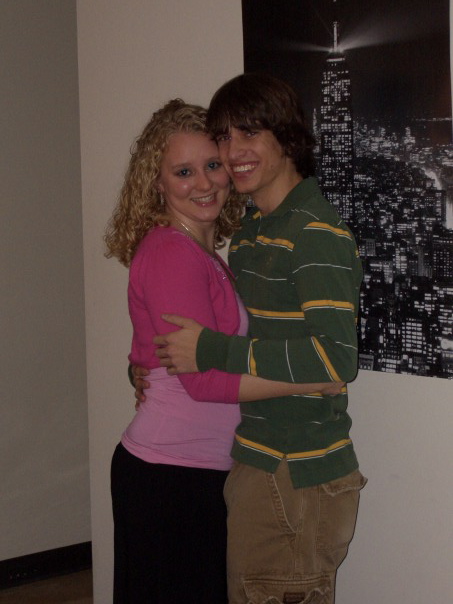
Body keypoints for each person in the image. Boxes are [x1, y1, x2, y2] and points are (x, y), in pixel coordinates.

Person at [105, 98, 344, 604]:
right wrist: (316, 377)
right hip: (171, 477)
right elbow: (203, 380)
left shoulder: (205, 252)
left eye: (213, 165)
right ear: (157, 182)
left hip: (192, 472)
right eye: (183, 172)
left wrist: (137, 367)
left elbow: (162, 348)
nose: (204, 183)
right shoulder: (172, 252)